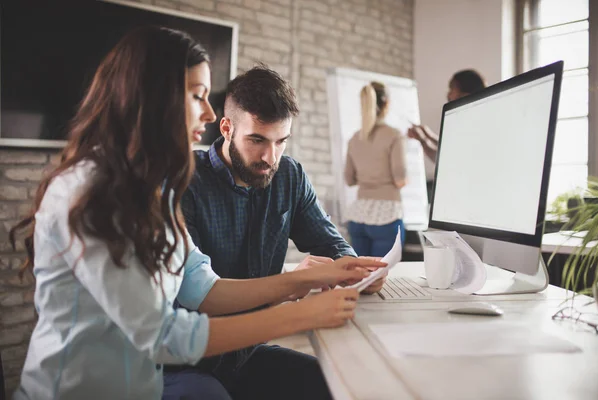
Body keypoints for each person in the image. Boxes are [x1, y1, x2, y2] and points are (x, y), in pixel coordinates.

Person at [8, 27, 385, 400]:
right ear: (153, 100)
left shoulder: (150, 189)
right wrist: (304, 313)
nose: (207, 112)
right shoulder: (91, 193)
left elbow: (204, 288)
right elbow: (164, 336)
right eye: (197, 96)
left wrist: (312, 278)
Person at [166, 65, 387, 400]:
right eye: (257, 140)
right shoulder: (185, 182)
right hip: (184, 361)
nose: (270, 157)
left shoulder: (289, 175)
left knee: (336, 384)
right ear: (226, 128)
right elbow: (198, 300)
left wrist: (355, 269)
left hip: (245, 352)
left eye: (280, 141)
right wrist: (295, 285)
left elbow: (330, 241)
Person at [343, 81, 407, 257]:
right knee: (384, 276)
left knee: (359, 275)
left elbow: (349, 180)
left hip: (359, 215)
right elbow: (400, 179)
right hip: (387, 216)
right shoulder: (394, 135)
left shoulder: (354, 138)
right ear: (386, 103)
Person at [408, 69, 486, 161]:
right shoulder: (478, 117)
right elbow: (451, 148)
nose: (448, 94)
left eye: (451, 89)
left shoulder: (472, 123)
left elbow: (446, 160)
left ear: (465, 95)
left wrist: (422, 140)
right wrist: (429, 136)